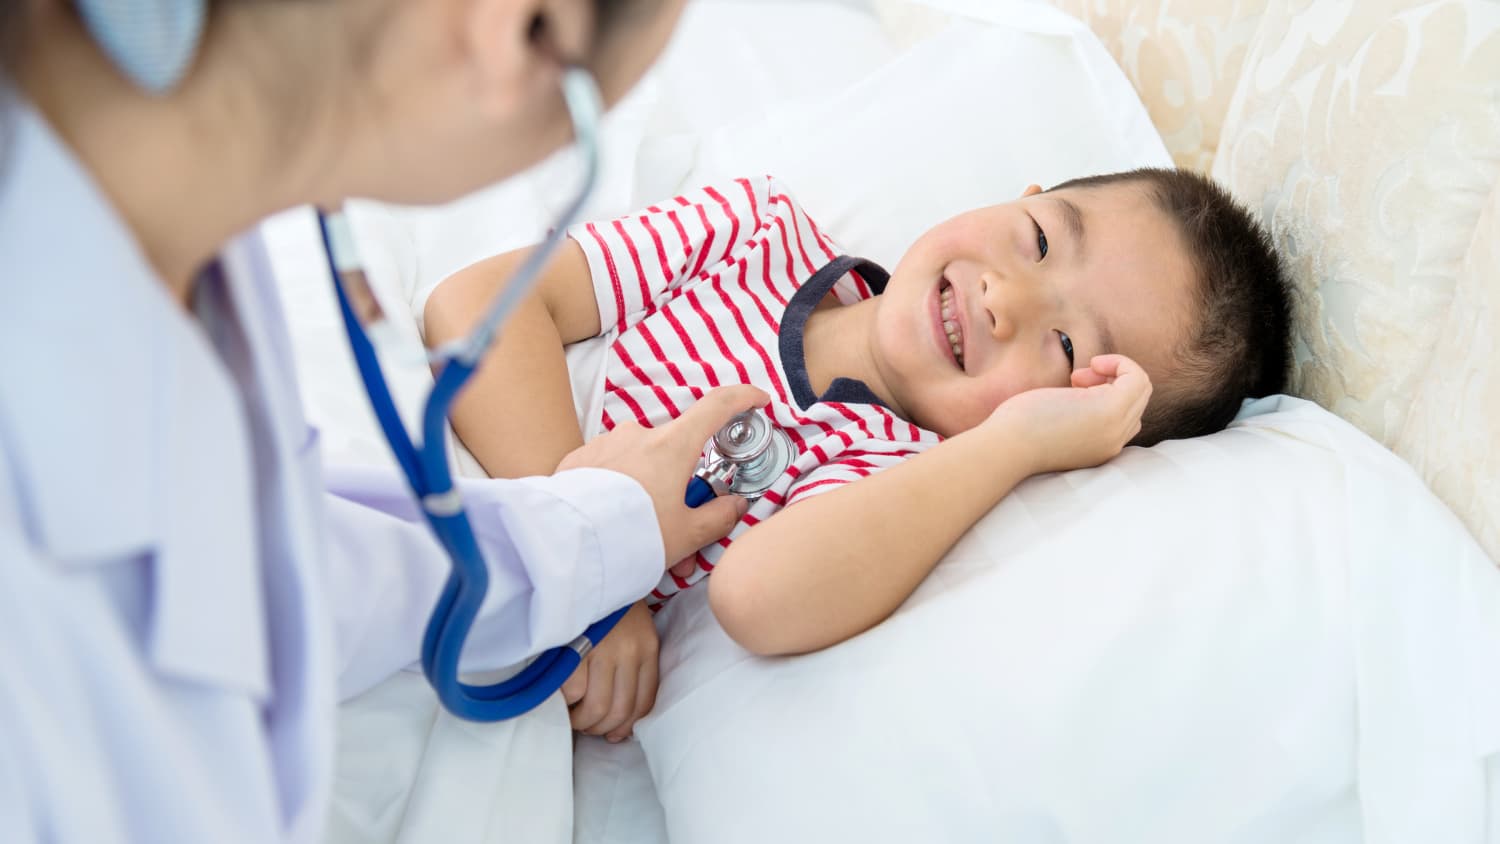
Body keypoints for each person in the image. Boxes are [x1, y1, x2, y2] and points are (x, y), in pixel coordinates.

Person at [0, 0, 772, 840]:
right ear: (517, 38)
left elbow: (263, 560)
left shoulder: (163, 235)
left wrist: (593, 530)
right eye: (582, 128)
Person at [423, 169, 1293, 742]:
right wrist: (599, 569)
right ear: (1018, 193)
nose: (1005, 298)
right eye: (1036, 240)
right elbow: (478, 305)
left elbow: (759, 597)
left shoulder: (891, 472)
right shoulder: (752, 232)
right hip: (439, 497)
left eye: (1066, 345)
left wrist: (1014, 446)